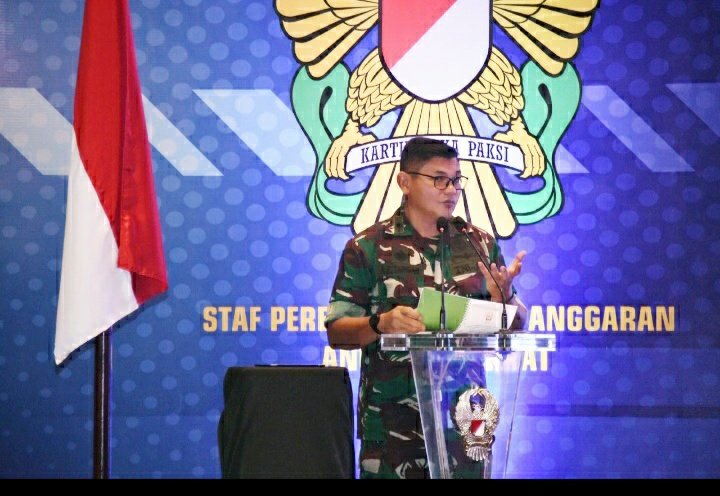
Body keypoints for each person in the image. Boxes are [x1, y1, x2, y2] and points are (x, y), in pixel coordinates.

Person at [325, 137, 528, 479]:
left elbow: (518, 323)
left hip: (468, 423)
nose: (451, 190)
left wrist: (504, 297)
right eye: (439, 179)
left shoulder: (478, 244)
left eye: (456, 180)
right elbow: (337, 331)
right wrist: (380, 323)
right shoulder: (367, 247)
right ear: (405, 182)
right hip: (393, 428)